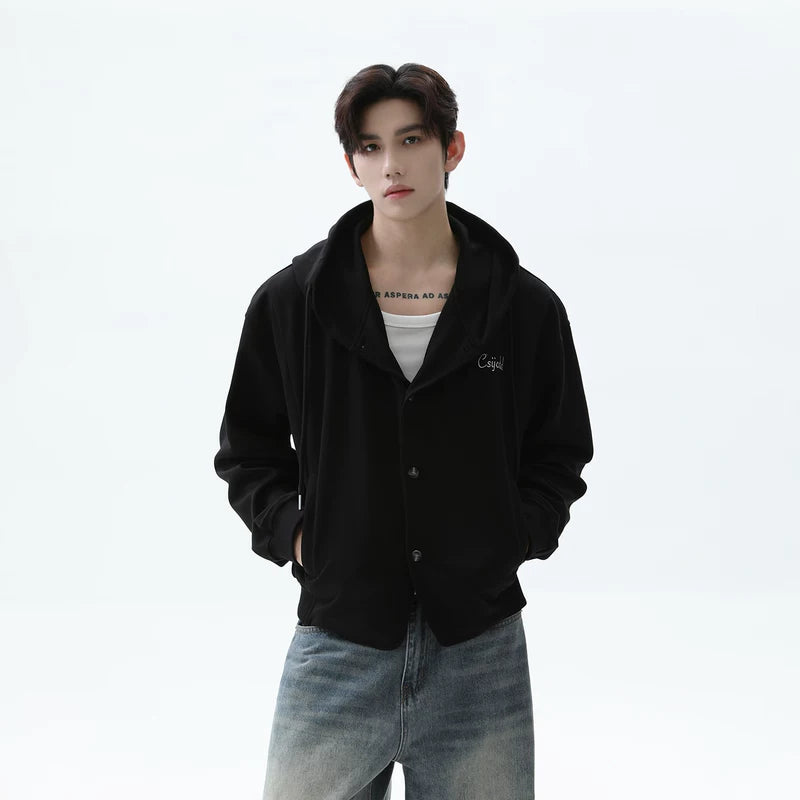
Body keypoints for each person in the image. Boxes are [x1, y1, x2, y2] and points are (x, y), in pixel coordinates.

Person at [213, 62, 594, 800]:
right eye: (370, 146)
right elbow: (248, 452)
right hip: (339, 641)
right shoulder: (292, 302)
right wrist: (302, 537)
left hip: (478, 652)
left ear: (452, 148)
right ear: (352, 164)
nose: (392, 164)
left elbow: (559, 450)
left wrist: (513, 538)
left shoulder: (523, 308)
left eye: (412, 139)